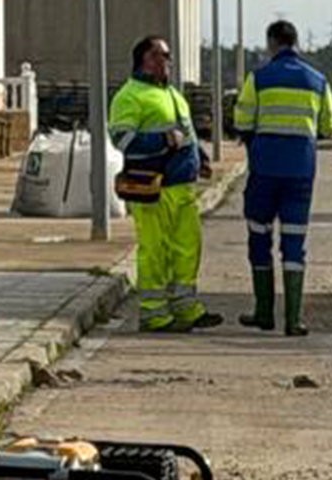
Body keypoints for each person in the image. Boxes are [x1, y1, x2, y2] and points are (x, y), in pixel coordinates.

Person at [232, 19, 332, 336]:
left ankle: (264, 312)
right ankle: (293, 321)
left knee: (259, 237)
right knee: (294, 244)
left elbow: (242, 119)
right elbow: (328, 125)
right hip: (301, 174)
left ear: (272, 43)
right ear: (296, 42)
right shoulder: (318, 81)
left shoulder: (259, 78)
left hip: (264, 171)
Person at [110, 36, 221, 333]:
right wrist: (162, 141)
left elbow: (187, 133)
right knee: (155, 251)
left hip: (182, 187)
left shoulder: (171, 94)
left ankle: (186, 308)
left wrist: (201, 157)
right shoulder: (130, 96)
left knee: (186, 248)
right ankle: (153, 312)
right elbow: (122, 140)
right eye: (162, 55)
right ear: (145, 60)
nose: (167, 61)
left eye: (168, 56)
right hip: (153, 188)